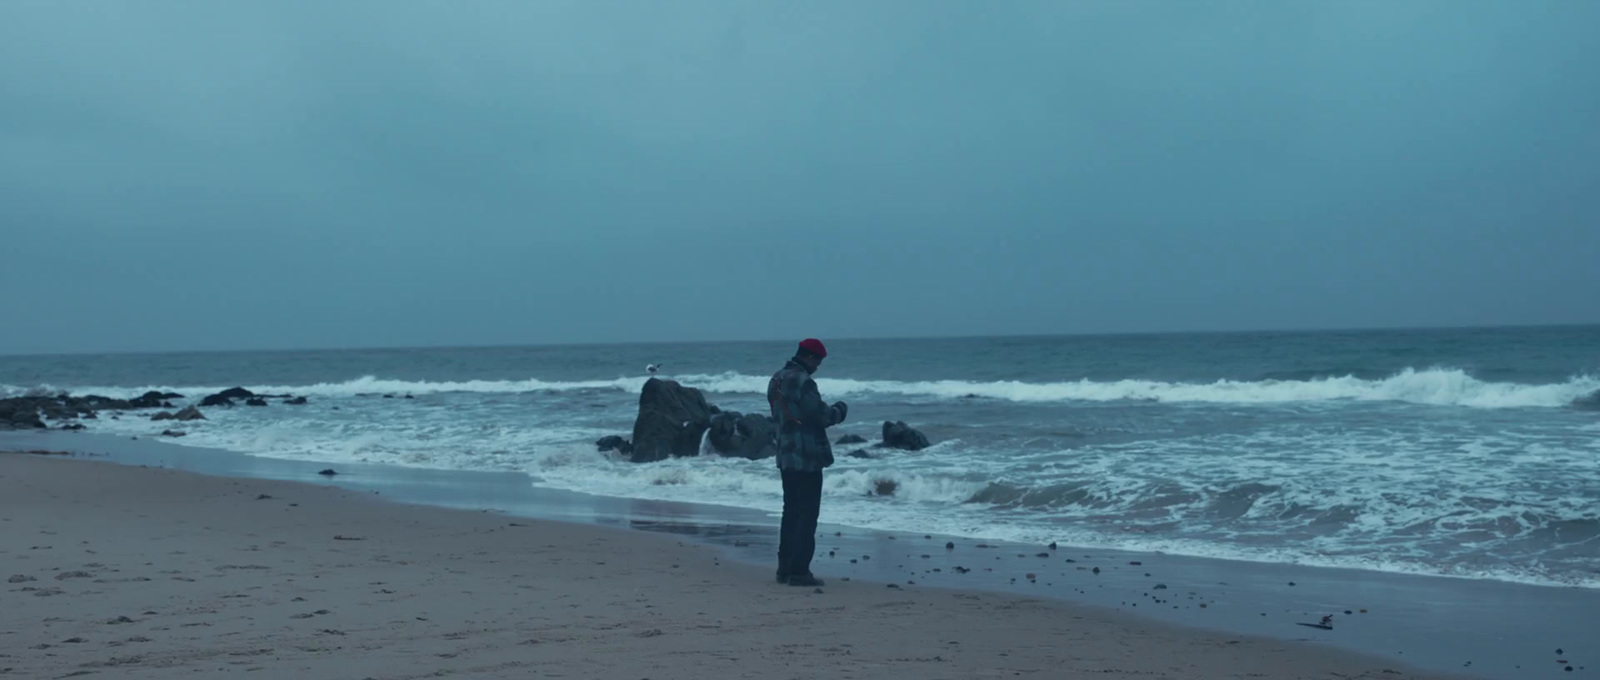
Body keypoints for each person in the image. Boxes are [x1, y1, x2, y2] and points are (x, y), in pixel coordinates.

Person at [767, 338, 848, 587]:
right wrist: (841, 409)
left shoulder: (776, 379)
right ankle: (800, 571)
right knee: (808, 514)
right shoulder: (804, 381)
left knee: (790, 511)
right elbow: (822, 416)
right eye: (818, 361)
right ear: (810, 357)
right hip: (808, 457)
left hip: (785, 454)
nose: (818, 367)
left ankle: (784, 569)